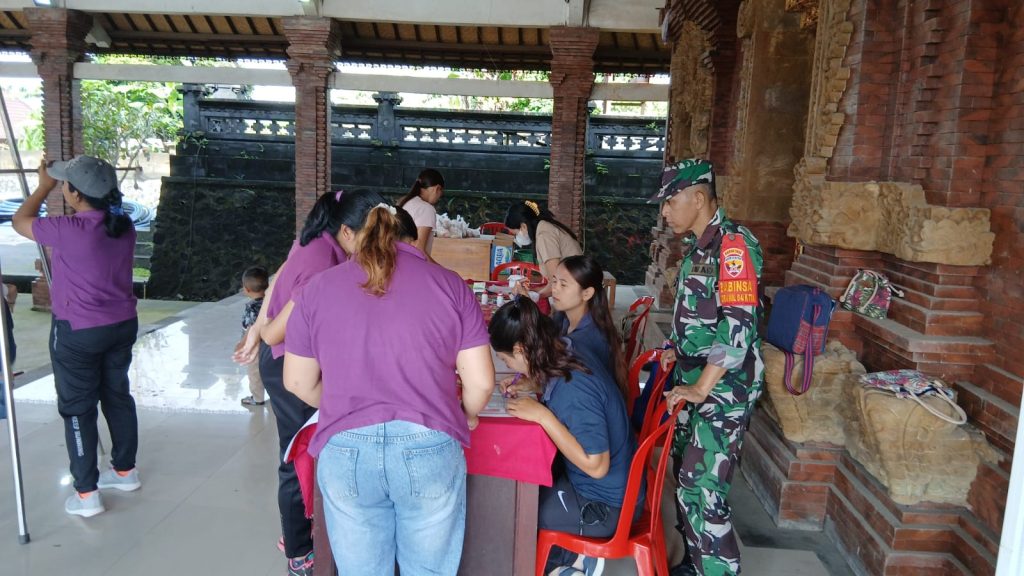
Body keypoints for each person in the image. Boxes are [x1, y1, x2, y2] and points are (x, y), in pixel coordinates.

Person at [282, 190, 494, 576]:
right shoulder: (450, 285)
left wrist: (344, 401)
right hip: (428, 440)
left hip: (345, 446)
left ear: (351, 233)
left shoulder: (316, 290)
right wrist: (466, 412)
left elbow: (297, 381)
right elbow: (480, 382)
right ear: (405, 232)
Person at [651, 159, 764, 576]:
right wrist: (674, 348)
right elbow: (696, 315)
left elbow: (737, 325)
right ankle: (696, 565)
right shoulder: (700, 247)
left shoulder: (733, 246)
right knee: (686, 475)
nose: (665, 211)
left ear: (698, 198)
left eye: (670, 201)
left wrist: (701, 388)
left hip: (723, 387)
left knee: (703, 488)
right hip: (692, 377)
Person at [12, 156, 140, 517]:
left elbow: (20, 221)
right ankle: (125, 471)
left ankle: (87, 494)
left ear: (75, 193)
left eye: (65, 184)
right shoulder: (124, 224)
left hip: (78, 332)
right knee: (116, 395)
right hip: (121, 325)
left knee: (77, 408)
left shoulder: (68, 229)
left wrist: (43, 187)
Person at [234, 190, 348, 576]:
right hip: (289, 363)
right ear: (345, 228)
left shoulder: (312, 241)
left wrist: (256, 330)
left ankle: (300, 529)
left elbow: (277, 280)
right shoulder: (321, 259)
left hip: (288, 357)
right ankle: (299, 551)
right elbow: (279, 326)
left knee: (303, 449)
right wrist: (262, 331)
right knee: (297, 455)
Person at [491, 296, 637, 576]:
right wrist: (533, 383)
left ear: (521, 349)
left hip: (604, 504)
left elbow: (597, 466)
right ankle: (571, 557)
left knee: (519, 515)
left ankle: (576, 561)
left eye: (506, 359)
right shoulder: (565, 348)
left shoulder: (574, 389)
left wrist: (542, 416)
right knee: (525, 493)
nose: (508, 365)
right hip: (602, 486)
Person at [550, 254, 627, 398]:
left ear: (586, 293)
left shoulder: (588, 338)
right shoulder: (564, 319)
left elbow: (571, 388)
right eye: (554, 281)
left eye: (563, 284)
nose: (554, 289)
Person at [504, 200, 582, 297]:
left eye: (515, 234)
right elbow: (553, 282)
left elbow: (556, 283)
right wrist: (531, 290)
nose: (516, 238)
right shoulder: (545, 227)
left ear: (523, 226)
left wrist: (532, 296)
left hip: (572, 294)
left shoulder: (544, 235)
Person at [238, 265, 269, 407]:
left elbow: (250, 329)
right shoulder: (270, 303)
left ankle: (257, 398)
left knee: (254, 373)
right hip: (270, 345)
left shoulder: (251, 307)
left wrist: (242, 344)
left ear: (247, 289)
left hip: (255, 347)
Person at [396, 168, 444, 255]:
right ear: (437, 188)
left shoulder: (405, 202)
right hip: (412, 260)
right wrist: (435, 264)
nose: (438, 198)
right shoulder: (426, 209)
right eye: (441, 194)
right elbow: (418, 249)